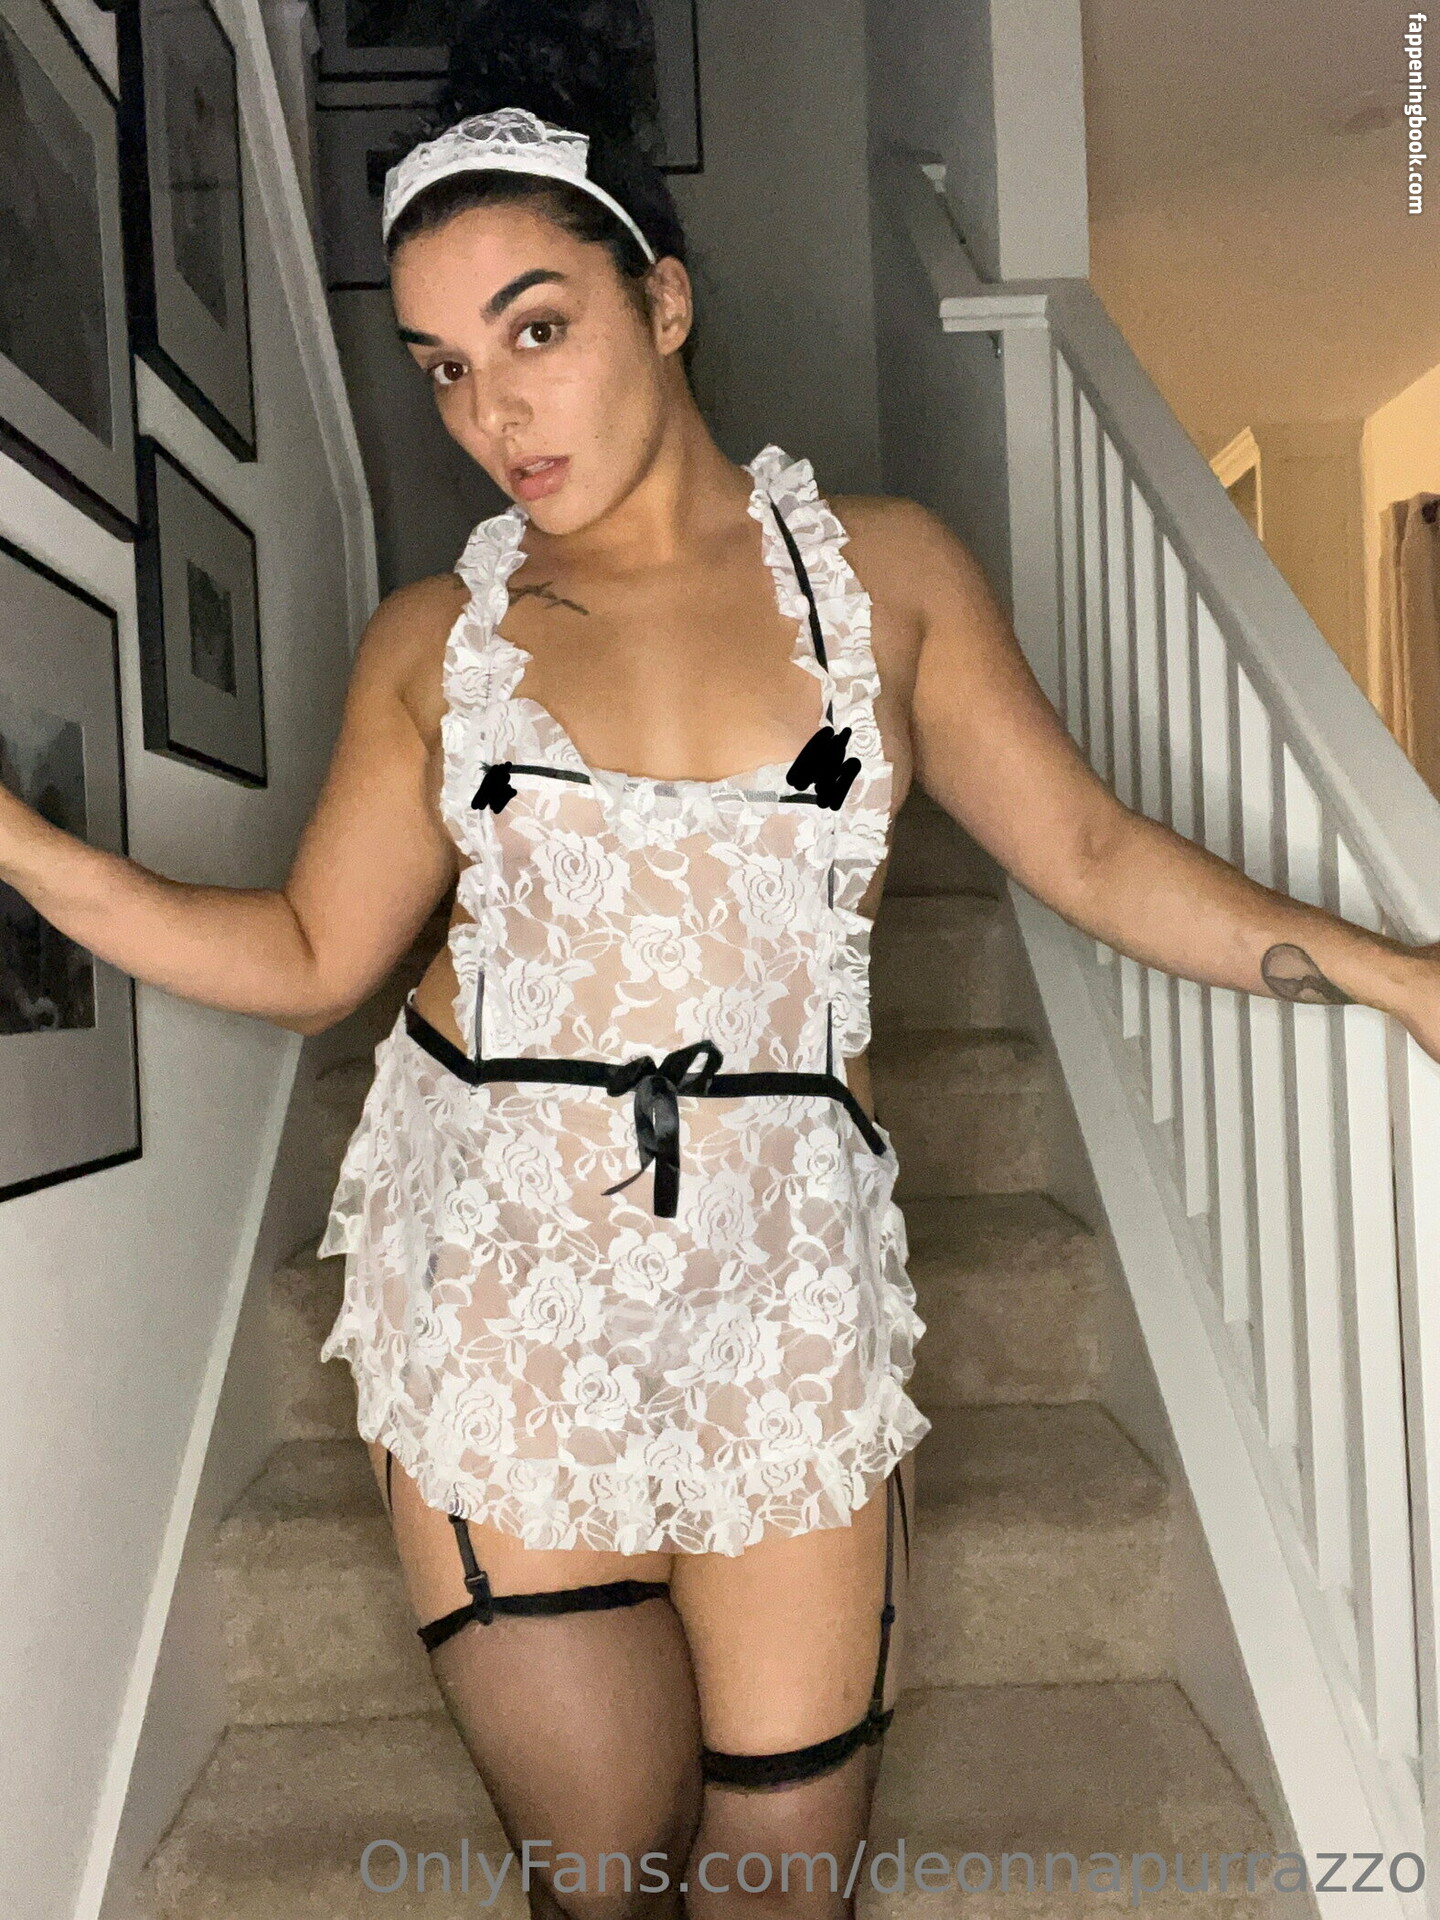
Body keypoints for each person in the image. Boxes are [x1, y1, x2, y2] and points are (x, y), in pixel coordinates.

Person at [3, 3, 1437, 1914]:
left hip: (786, 1282)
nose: (492, 414)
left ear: (661, 301)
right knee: (602, 1867)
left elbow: (1093, 854)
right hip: (508, 1280)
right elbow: (304, 950)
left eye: (535, 331)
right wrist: (20, 845)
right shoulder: (438, 641)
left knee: (786, 1871)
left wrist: (1400, 971)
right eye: (443, 367)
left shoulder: (890, 578)